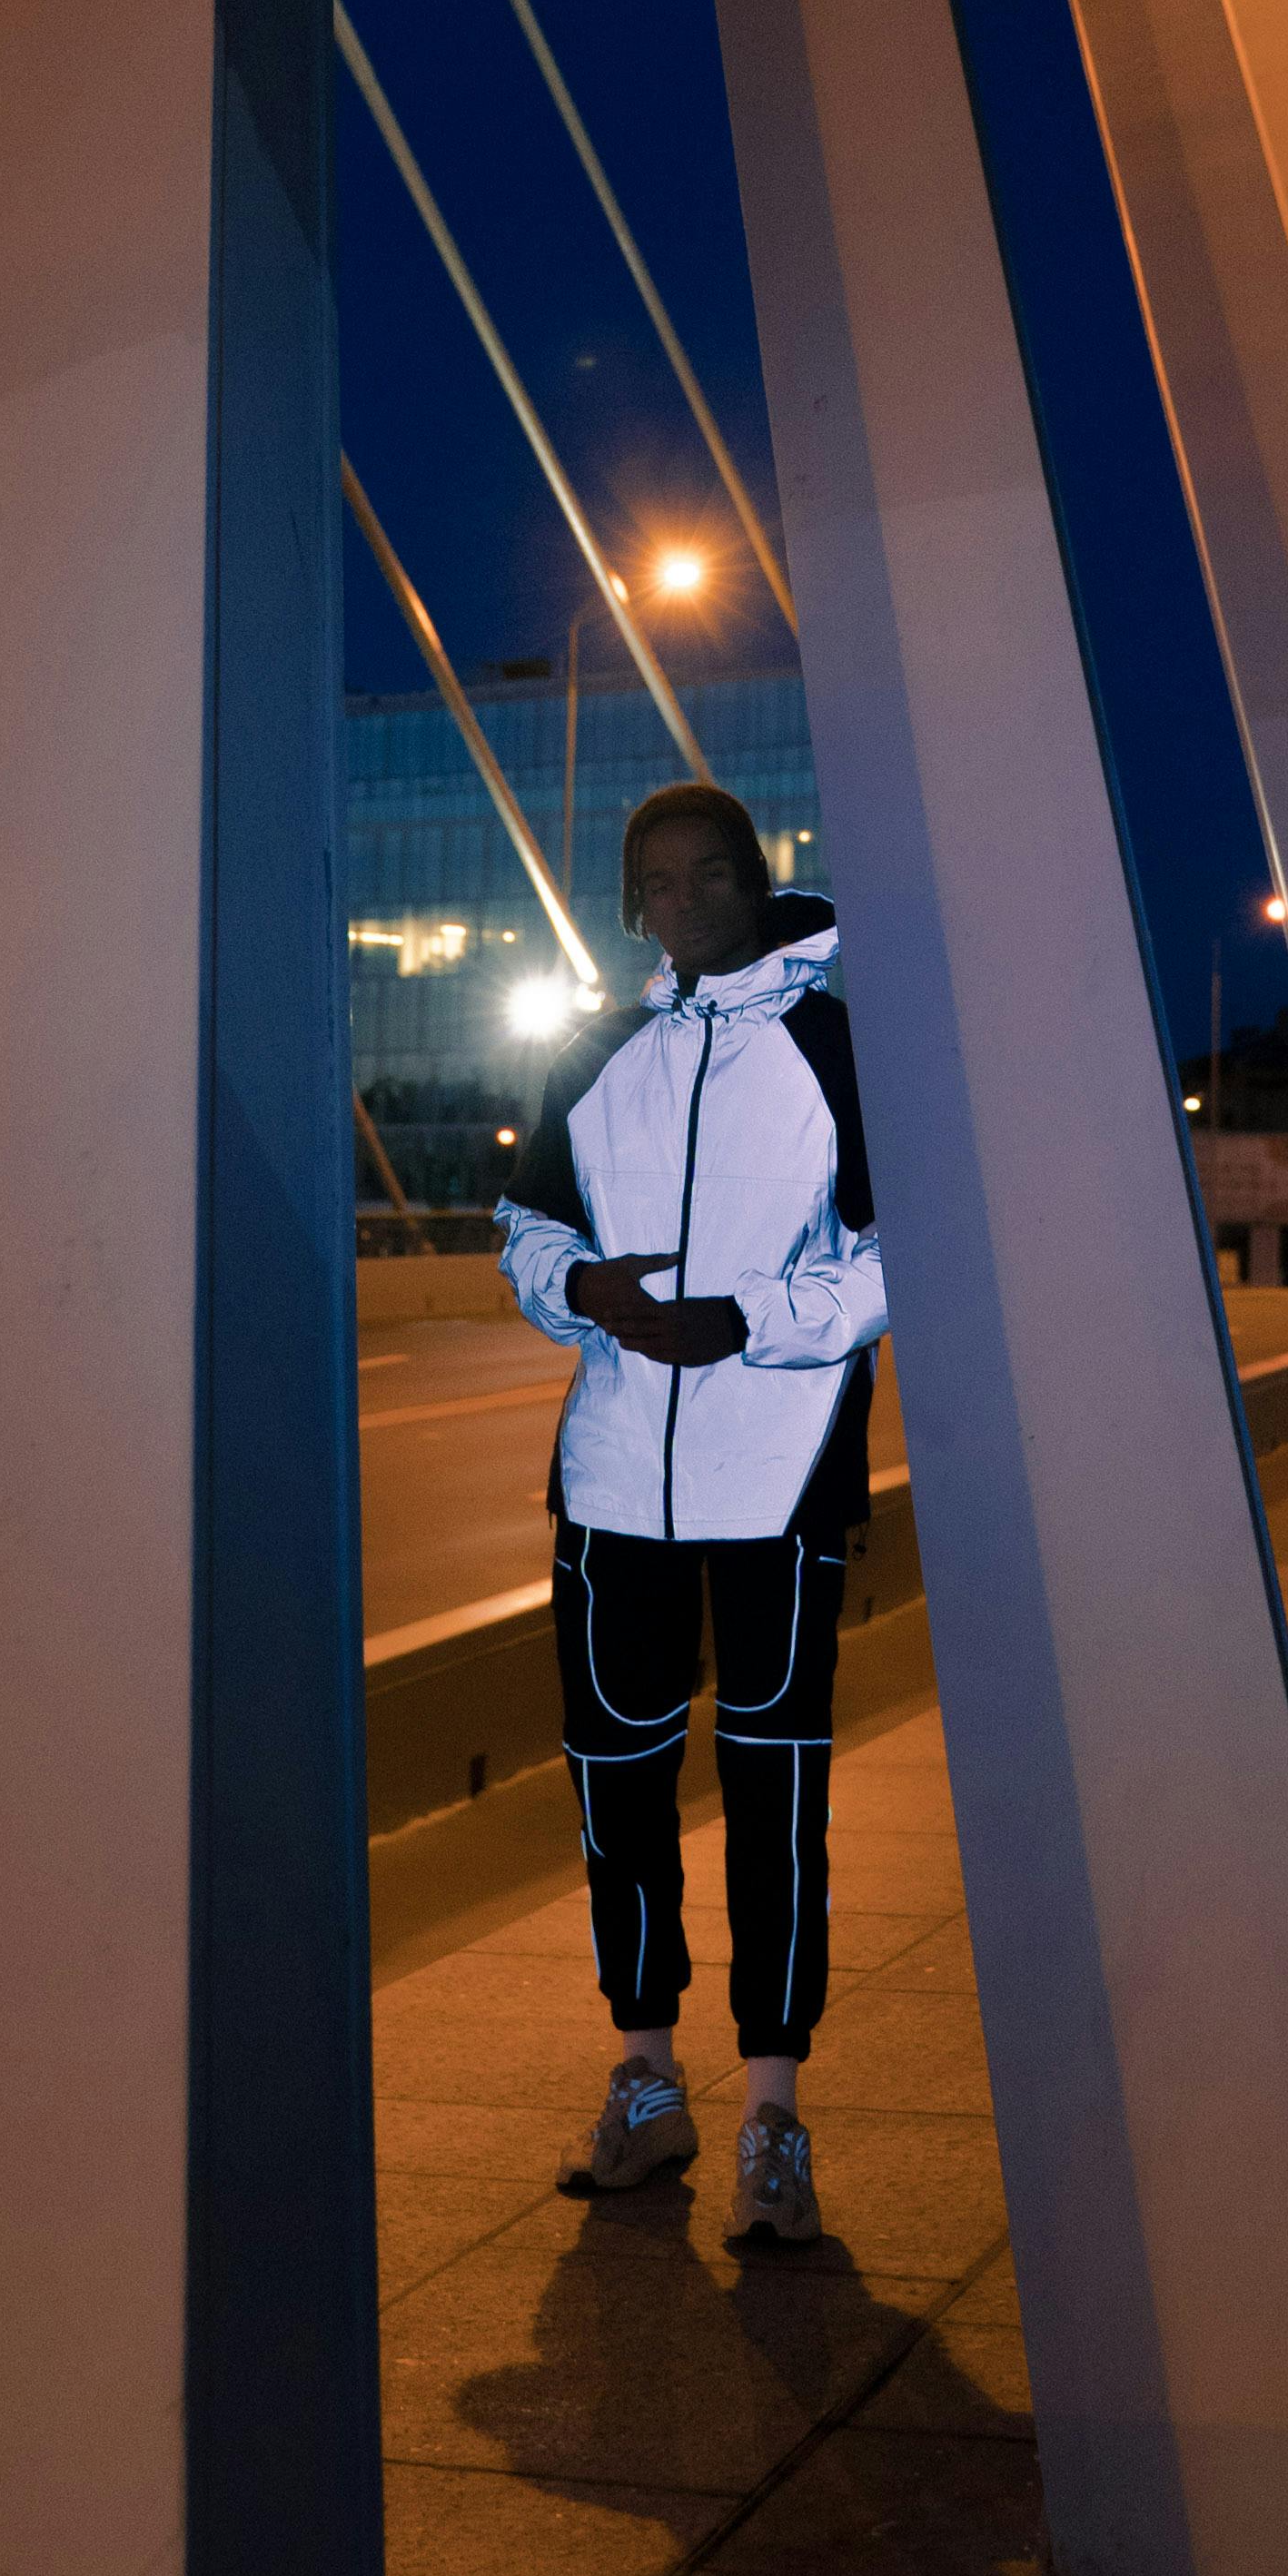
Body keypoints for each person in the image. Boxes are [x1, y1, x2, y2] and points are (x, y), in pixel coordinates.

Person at [498, 779, 887, 2254]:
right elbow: (527, 1222)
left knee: (776, 1794)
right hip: (608, 1483)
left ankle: (774, 2107)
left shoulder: (836, 1044)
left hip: (779, 1479)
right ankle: (646, 2078)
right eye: (653, 883)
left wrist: (744, 1323)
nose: (681, 902)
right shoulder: (602, 1051)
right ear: (630, 903)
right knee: (617, 1791)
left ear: (752, 878)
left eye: (705, 874)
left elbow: (893, 1249)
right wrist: (581, 1288)